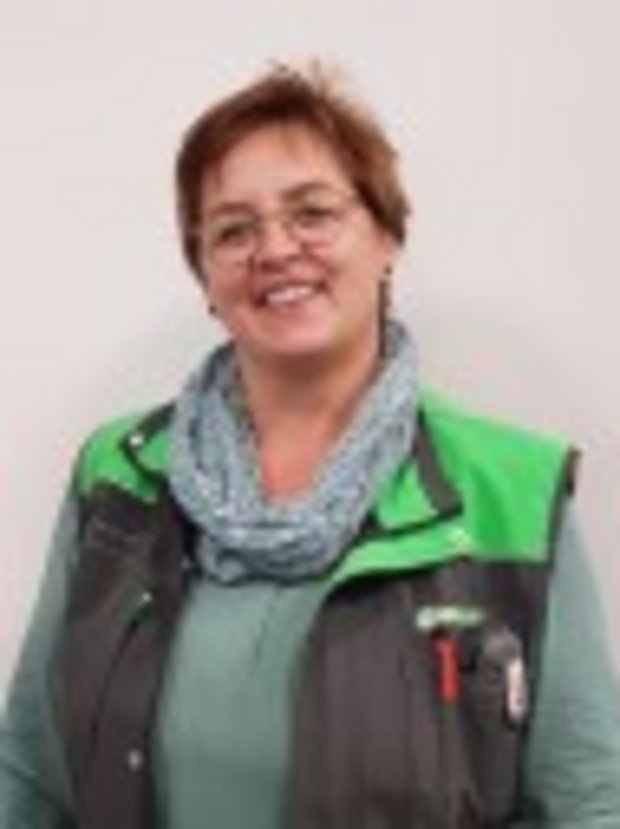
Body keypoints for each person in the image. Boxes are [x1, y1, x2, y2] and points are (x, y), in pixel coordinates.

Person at [1, 63, 619, 829]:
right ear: (205, 274)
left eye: (313, 213)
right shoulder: (119, 473)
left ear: (387, 236)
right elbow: (30, 772)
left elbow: (587, 803)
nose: (274, 248)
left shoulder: (512, 490)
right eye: (233, 229)